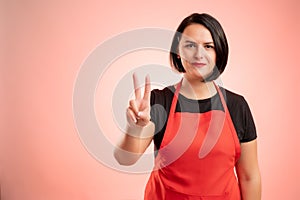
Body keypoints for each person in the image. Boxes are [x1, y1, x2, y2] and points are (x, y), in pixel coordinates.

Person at [114, 13, 261, 200]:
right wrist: (135, 128)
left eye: (208, 46)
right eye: (190, 45)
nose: (199, 54)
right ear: (178, 52)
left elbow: (249, 176)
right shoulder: (159, 102)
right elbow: (125, 158)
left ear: (219, 52)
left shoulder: (236, 106)